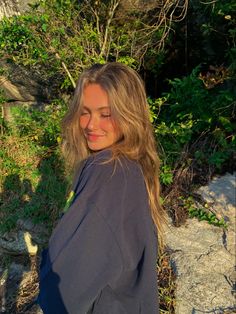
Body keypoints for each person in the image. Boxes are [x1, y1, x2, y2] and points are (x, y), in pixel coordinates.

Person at [38, 62, 166, 314]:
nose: (90, 125)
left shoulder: (108, 172)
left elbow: (66, 289)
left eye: (105, 114)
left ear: (129, 114)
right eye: (84, 112)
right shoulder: (128, 165)